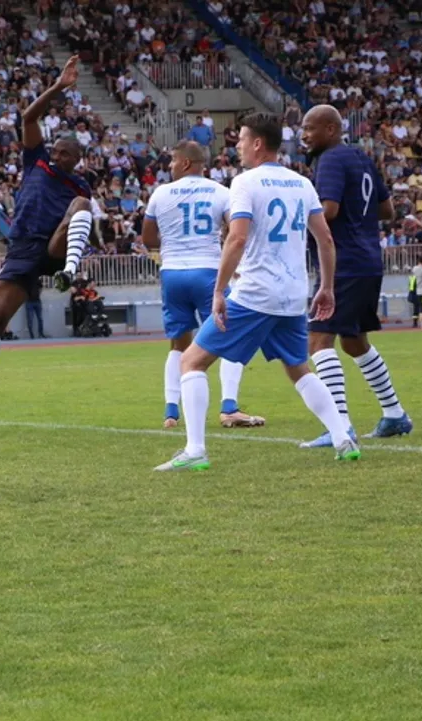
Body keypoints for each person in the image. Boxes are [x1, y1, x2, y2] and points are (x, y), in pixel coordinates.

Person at [155, 112, 359, 471]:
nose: (237, 146)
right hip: (294, 294)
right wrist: (326, 287)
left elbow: (237, 237)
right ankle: (343, 438)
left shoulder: (246, 183)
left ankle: (195, 450)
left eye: (241, 140)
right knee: (298, 367)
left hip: (255, 292)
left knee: (192, 360)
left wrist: (219, 291)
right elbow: (325, 238)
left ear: (258, 144)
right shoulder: (302, 183)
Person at [0, 55, 95, 422]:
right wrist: (58, 87)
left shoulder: (82, 185)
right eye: (56, 150)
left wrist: (71, 249)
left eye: (65, 152)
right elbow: (28, 118)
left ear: (76, 159)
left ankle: (69, 271)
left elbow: (84, 217)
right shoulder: (38, 161)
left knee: (81, 204)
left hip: (54, 245)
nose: (57, 154)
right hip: (22, 246)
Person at [299, 104, 412, 446]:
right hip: (368, 259)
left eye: (309, 128)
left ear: (330, 130)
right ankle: (394, 415)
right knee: (353, 341)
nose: (303, 135)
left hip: (344, 261)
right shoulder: (361, 158)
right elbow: (386, 209)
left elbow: (328, 209)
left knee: (318, 339)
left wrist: (294, 218)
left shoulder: (330, 159)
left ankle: (340, 426)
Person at [141, 140, 265, 430]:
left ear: (185, 163)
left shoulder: (160, 194)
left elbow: (148, 240)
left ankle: (171, 412)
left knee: (178, 342)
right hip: (207, 272)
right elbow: (235, 232)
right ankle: (229, 407)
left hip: (172, 274)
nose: (169, 166)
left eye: (172, 161)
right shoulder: (221, 192)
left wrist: (175, 243)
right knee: (231, 334)